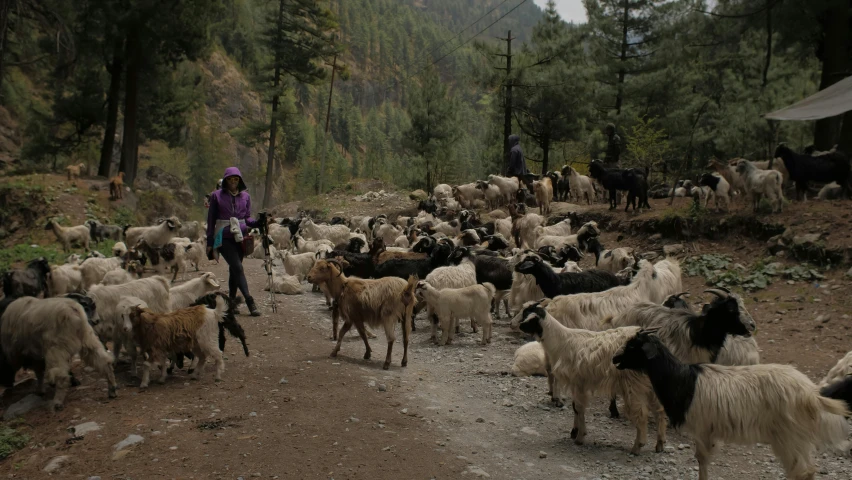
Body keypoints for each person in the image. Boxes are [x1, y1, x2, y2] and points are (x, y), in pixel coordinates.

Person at [206, 167, 261, 317]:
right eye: (230, 179)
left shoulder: (246, 197)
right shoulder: (216, 196)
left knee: (234, 270)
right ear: (225, 180)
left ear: (240, 181)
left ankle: (231, 302)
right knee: (237, 266)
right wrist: (209, 242)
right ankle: (250, 301)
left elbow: (247, 218)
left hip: (241, 237)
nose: (233, 182)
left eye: (236, 179)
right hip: (223, 236)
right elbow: (211, 220)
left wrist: (258, 223)